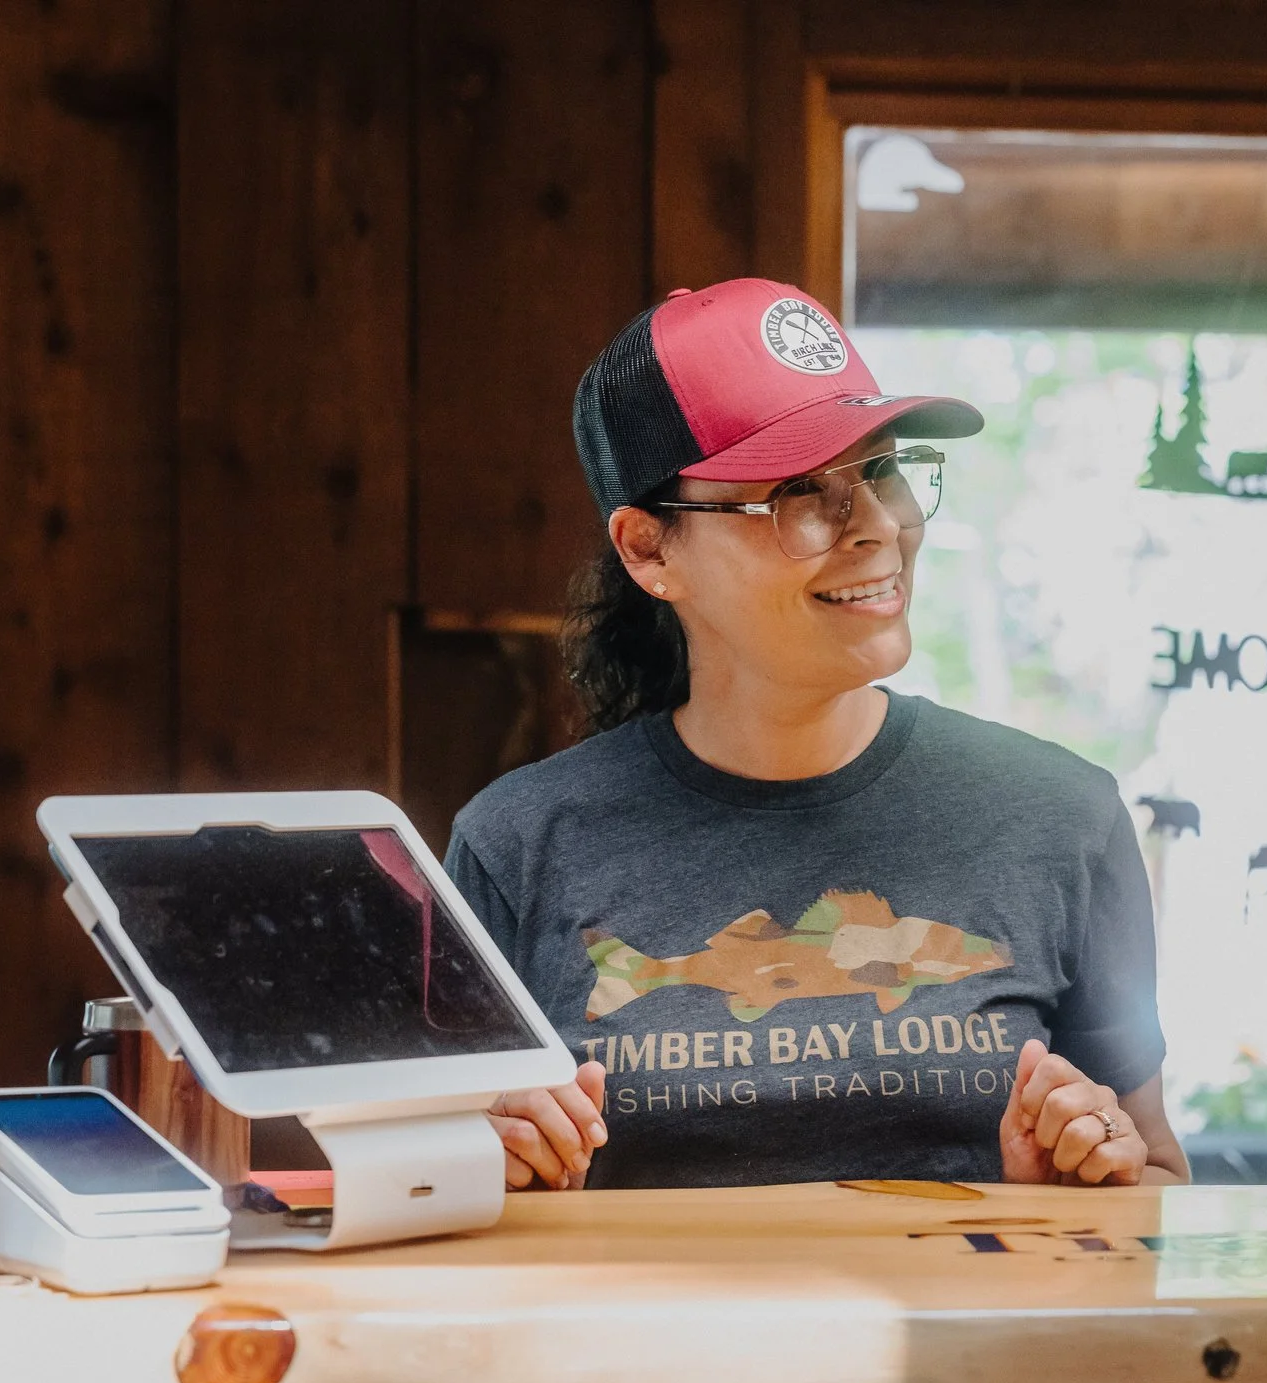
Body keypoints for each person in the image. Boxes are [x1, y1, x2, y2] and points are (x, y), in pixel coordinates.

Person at [444, 278, 1189, 1192]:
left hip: (958, 1339)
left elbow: (1159, 1186)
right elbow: (439, 1198)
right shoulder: (516, 844)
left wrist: (1080, 1176)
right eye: (803, 493)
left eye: (883, 470)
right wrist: (486, 1158)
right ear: (649, 550)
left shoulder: (1062, 817)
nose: (880, 526)